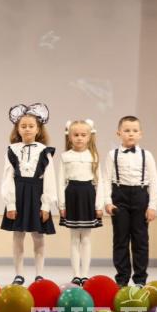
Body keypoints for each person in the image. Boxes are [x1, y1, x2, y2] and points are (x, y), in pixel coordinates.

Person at [0, 103, 57, 285]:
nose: (27, 129)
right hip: (18, 195)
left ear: (38, 129)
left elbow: (49, 179)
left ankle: (39, 274)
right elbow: (7, 177)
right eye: (23, 126)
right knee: (18, 236)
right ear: (17, 129)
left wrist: (46, 205)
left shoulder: (44, 151)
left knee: (38, 236)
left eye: (31, 126)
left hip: (36, 196)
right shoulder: (12, 150)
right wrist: (10, 203)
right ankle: (19, 274)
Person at [104, 116, 157, 287]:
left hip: (140, 197)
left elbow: (154, 182)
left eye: (135, 131)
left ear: (140, 134)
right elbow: (106, 180)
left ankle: (140, 279)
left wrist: (152, 206)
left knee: (140, 240)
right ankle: (122, 279)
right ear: (118, 133)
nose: (131, 134)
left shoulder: (147, 155)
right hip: (119, 197)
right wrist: (107, 202)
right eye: (127, 130)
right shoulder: (112, 155)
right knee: (120, 240)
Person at [58, 119, 105, 285]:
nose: (79, 138)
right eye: (76, 134)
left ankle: (85, 274)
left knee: (86, 238)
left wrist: (99, 205)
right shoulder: (65, 156)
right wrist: (61, 205)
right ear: (69, 137)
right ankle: (76, 274)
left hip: (88, 196)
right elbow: (60, 181)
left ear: (89, 136)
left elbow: (100, 182)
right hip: (72, 195)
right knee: (74, 238)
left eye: (83, 135)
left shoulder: (94, 156)